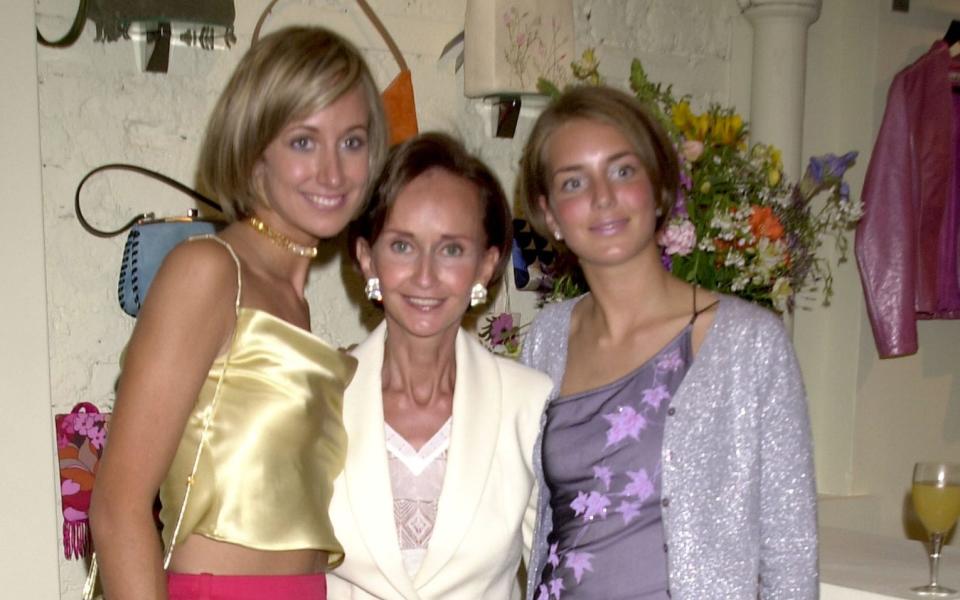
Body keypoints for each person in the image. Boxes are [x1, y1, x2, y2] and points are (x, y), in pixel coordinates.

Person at [89, 26, 387, 600]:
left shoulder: (292, 299)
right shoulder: (209, 270)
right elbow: (118, 507)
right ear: (254, 152)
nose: (333, 172)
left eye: (351, 141)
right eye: (304, 141)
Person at [517, 85, 818, 599]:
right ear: (550, 216)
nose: (603, 197)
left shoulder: (748, 344)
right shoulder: (548, 338)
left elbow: (791, 555)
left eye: (622, 170)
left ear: (658, 189)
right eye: (574, 182)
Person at [326, 132, 552, 599]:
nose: (425, 275)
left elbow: (558, 581)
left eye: (451, 249)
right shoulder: (318, 397)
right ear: (367, 258)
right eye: (403, 246)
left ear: (486, 265)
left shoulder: (529, 406)